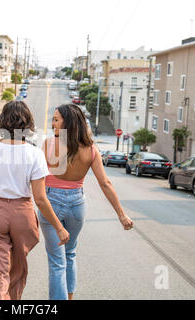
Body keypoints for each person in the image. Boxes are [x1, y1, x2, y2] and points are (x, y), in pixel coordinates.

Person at [39, 104, 134, 300]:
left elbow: (36, 178)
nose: (52, 123)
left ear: (68, 122)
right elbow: (105, 183)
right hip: (77, 205)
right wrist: (121, 215)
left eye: (56, 119)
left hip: (52, 204)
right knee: (70, 253)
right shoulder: (91, 149)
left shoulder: (48, 144)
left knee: (57, 261)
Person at [0, 100, 70, 300]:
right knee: (17, 270)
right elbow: (41, 199)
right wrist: (59, 228)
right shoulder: (34, 153)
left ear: (2, 121)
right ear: (26, 123)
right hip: (22, 213)